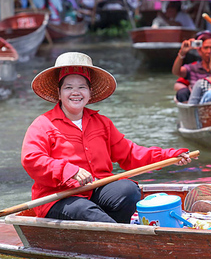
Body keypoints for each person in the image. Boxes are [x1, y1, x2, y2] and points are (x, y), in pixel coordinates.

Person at [21, 52, 192, 223]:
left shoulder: (102, 123)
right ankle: (121, 235)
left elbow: (131, 154)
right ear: (59, 93)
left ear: (90, 93)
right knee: (83, 209)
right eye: (68, 87)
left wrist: (169, 156)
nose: (75, 92)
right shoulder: (42, 124)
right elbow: (31, 160)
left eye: (82, 87)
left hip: (96, 190)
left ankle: (113, 231)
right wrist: (69, 171)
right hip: (59, 198)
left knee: (129, 190)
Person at [172, 31, 211, 102]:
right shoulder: (192, 68)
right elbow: (176, 72)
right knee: (182, 93)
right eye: (206, 48)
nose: (209, 51)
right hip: (196, 102)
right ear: (200, 50)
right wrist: (182, 53)